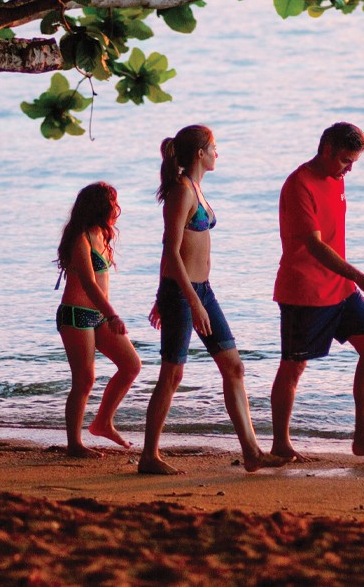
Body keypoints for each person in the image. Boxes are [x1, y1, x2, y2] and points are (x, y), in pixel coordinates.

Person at [139, 125, 289, 475]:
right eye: (213, 148)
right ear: (199, 154)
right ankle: (149, 456)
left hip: (202, 290)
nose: (217, 154)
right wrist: (186, 300)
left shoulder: (195, 189)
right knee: (172, 374)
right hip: (184, 294)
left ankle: (252, 452)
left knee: (234, 367)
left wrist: (193, 297)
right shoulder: (181, 191)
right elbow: (170, 250)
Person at [271, 122, 364, 461]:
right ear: (326, 149)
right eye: (345, 160)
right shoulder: (299, 184)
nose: (349, 169)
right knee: (294, 367)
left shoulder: (337, 178)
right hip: (304, 290)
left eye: (353, 162)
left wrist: (352, 280)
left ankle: (363, 437)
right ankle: (281, 444)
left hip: (340, 288)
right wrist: (361, 276)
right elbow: (314, 245)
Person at [55, 183, 142, 458]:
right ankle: (74, 444)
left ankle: (103, 422)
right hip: (76, 315)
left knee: (131, 365)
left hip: (99, 315)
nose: (117, 209)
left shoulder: (102, 234)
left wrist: (107, 314)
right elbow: (89, 284)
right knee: (84, 380)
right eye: (113, 204)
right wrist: (113, 314)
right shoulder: (79, 238)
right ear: (100, 207)